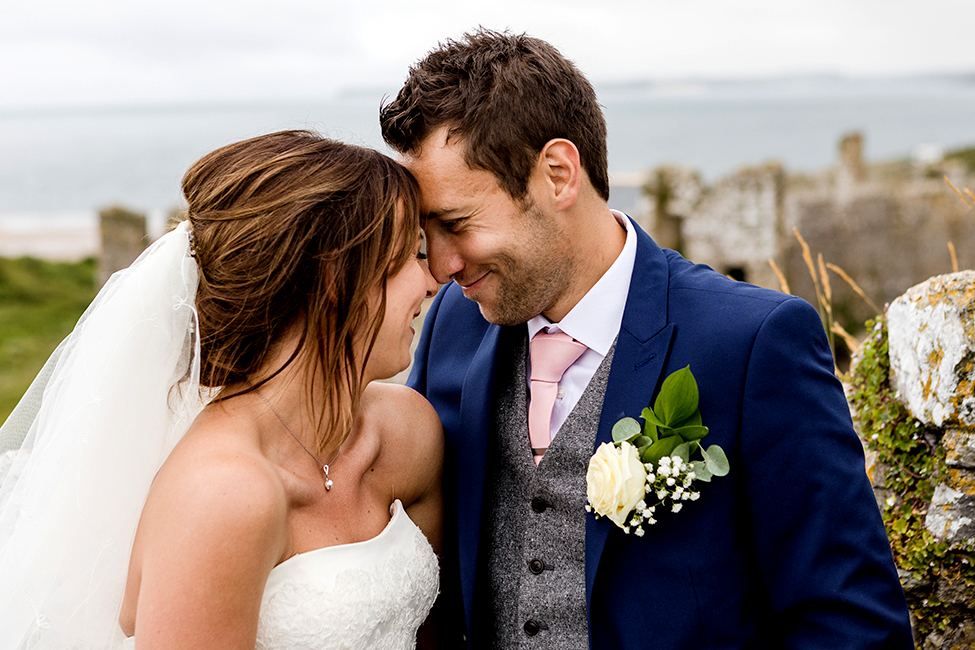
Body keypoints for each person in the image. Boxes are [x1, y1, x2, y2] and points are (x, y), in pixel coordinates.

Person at [380, 30, 914, 649]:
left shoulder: (754, 344)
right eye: (427, 232)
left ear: (557, 174)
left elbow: (850, 621)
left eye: (456, 224)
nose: (440, 265)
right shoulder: (452, 323)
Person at [0, 130, 442, 650]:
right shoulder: (224, 492)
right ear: (334, 280)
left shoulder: (407, 432)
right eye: (411, 255)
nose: (433, 280)